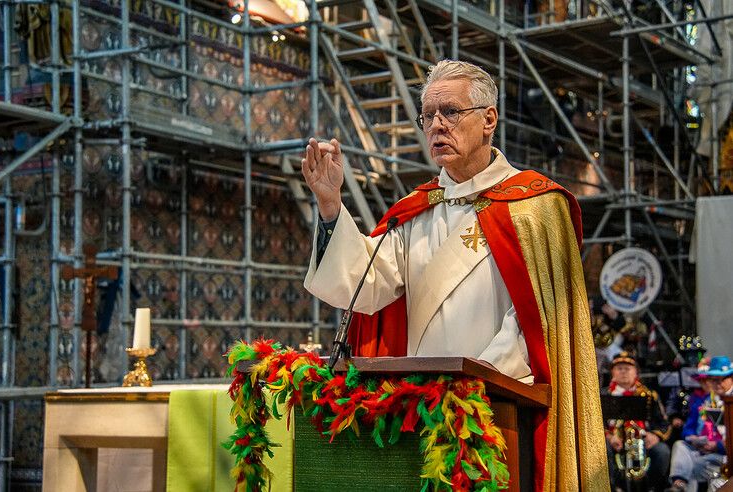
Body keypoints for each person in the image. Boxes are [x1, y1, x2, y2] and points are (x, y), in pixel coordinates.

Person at [301, 60, 608, 490]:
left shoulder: (536, 206)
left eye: (450, 112)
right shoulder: (414, 211)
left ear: (488, 119)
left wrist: (472, 380)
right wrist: (331, 205)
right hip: (422, 415)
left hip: (497, 413)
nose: (437, 126)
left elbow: (540, 324)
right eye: (429, 115)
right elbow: (363, 288)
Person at [603, 352, 671, 491]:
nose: (623, 371)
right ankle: (612, 487)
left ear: (636, 372)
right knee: (602, 450)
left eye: (628, 368)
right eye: (619, 368)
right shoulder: (603, 395)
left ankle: (653, 488)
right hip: (615, 443)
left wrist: (655, 436)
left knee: (662, 451)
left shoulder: (650, 396)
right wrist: (609, 437)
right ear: (612, 373)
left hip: (643, 442)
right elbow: (594, 425)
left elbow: (664, 424)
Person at [666, 356, 733, 491]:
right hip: (701, 450)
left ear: (731, 378)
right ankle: (678, 484)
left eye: (722, 379)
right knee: (680, 446)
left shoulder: (731, 402)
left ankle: (680, 484)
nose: (717, 383)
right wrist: (693, 439)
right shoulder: (703, 401)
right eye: (713, 379)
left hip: (725, 454)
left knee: (694, 466)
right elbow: (688, 428)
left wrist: (717, 445)